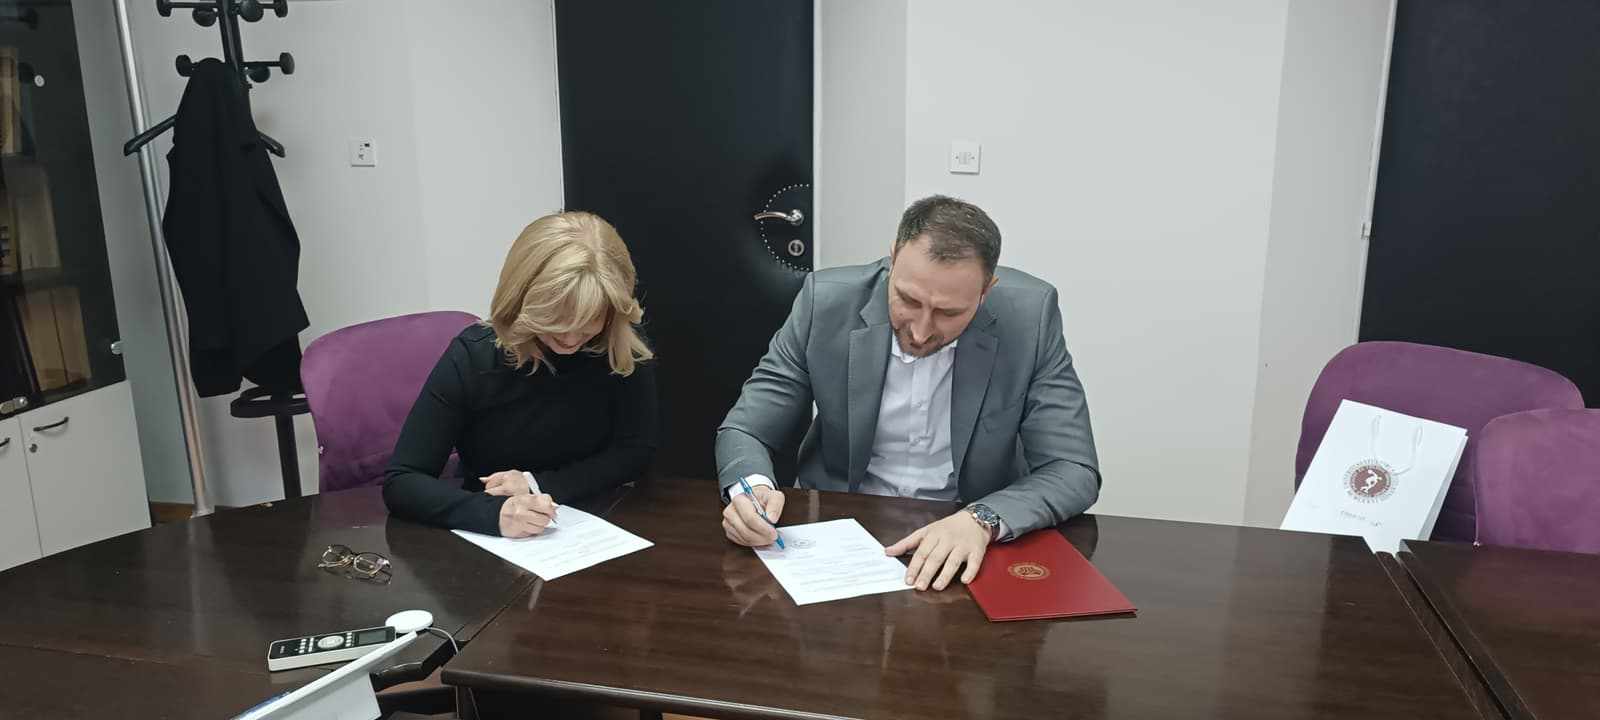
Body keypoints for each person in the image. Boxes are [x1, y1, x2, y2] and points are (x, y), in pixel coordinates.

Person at [716, 195, 1100, 591]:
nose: (920, 331)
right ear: (893, 258)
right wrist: (751, 488)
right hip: (841, 531)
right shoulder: (825, 301)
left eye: (949, 313)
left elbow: (1073, 469)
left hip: (968, 535)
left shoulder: (1030, 317)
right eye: (908, 300)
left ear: (986, 291)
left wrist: (982, 519)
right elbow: (746, 429)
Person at [384, 211, 657, 537]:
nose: (571, 339)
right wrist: (492, 514)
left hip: (595, 526)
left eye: (589, 322)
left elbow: (635, 450)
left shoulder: (620, 344)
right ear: (521, 302)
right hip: (496, 538)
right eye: (554, 320)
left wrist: (535, 484)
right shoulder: (475, 356)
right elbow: (403, 481)